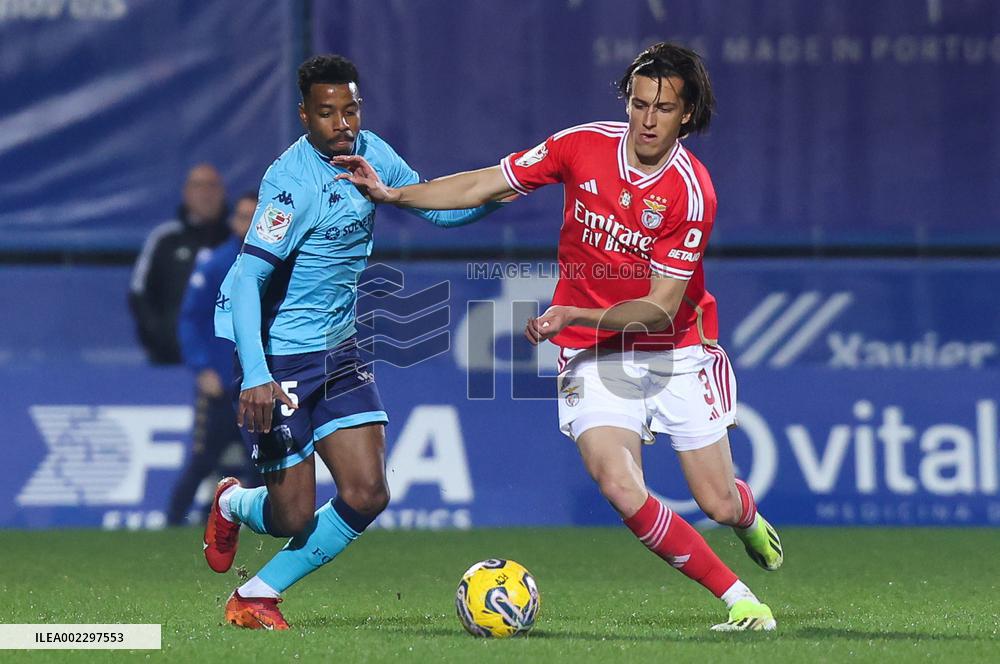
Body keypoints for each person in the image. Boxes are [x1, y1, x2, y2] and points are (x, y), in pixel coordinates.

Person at [334, 42, 784, 632]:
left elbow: (658, 309)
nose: (648, 120)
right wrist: (396, 196)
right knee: (618, 484)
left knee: (717, 503)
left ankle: (745, 516)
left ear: (687, 114)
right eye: (639, 104)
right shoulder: (581, 145)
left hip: (674, 350)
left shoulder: (691, 191)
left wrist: (574, 315)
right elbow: (486, 185)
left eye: (664, 108)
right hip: (595, 355)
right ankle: (741, 600)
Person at [202, 54, 502, 630]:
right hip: (281, 354)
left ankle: (257, 595)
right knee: (292, 514)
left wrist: (492, 197)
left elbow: (433, 210)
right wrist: (257, 373)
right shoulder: (289, 185)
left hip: (339, 348)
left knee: (367, 492)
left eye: (351, 110)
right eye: (327, 113)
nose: (342, 124)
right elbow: (245, 281)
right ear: (304, 115)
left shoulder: (372, 152)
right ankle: (232, 503)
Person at [167, 192, 262, 526]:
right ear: (234, 221)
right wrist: (202, 367)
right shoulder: (217, 264)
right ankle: (172, 525)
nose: (246, 224)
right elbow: (189, 319)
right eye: (242, 217)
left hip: (260, 386)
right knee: (203, 460)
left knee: (264, 464)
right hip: (222, 386)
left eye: (253, 217)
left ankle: (261, 527)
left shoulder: (281, 266)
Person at [129, 164, 230, 364]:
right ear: (186, 193)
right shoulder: (165, 239)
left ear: (222, 193)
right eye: (198, 186)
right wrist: (162, 337)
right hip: (171, 359)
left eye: (212, 186)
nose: (205, 193)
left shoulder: (238, 241)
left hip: (227, 362)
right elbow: (139, 294)